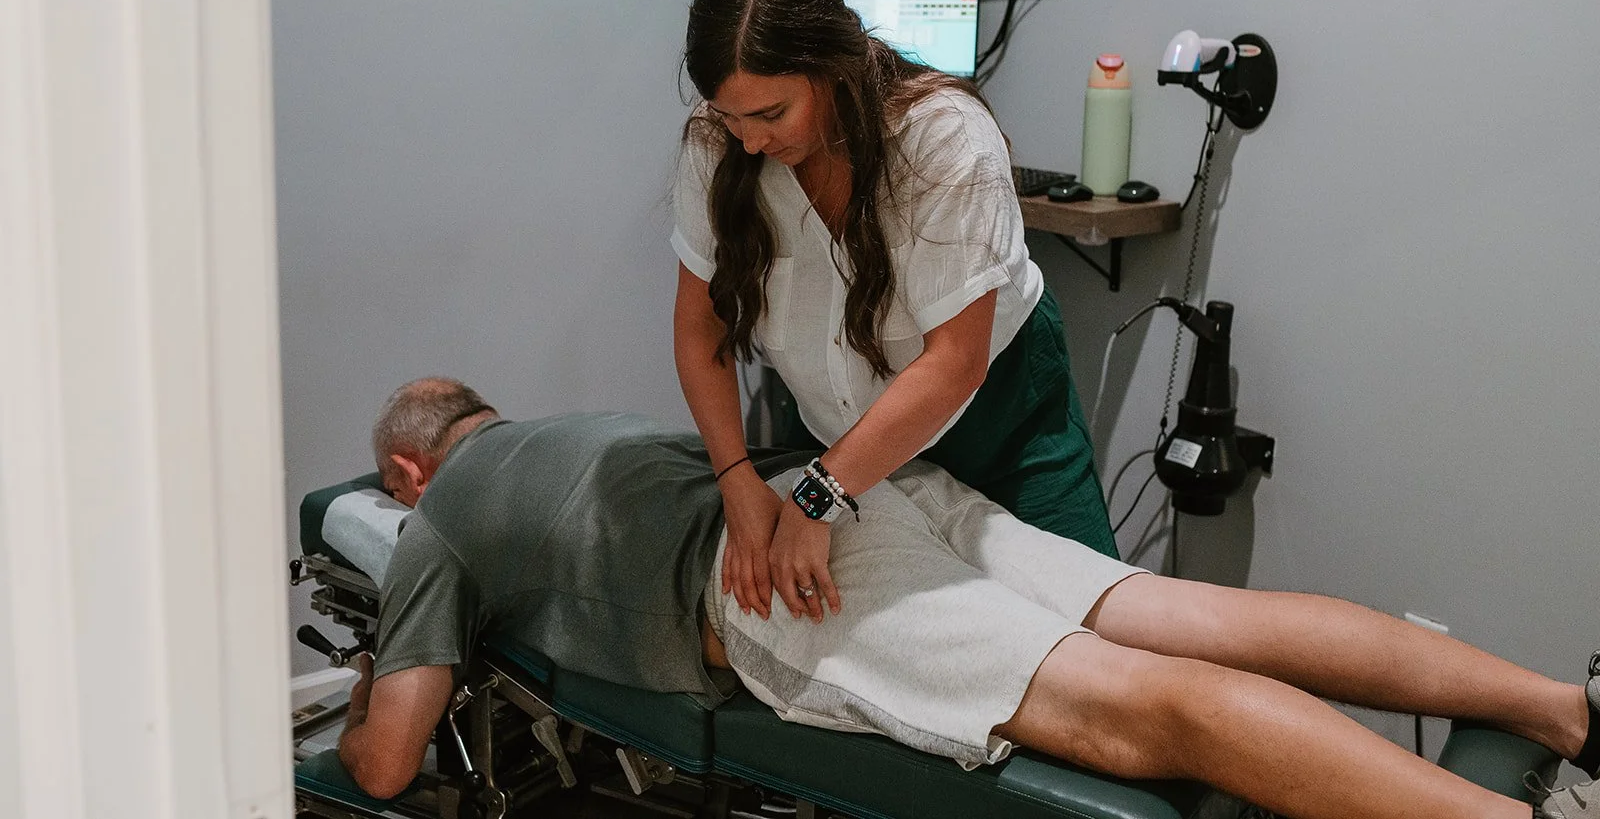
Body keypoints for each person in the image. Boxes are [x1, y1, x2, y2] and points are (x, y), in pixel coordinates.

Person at [337, 378, 1598, 819]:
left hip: (784, 573)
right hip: (859, 489)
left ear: (406, 468)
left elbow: (391, 764)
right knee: (1185, 619)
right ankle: (1562, 709)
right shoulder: (582, 429)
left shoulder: (442, 514)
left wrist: (351, 704)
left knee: (1128, 709)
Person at [672, 0, 1115, 628]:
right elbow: (701, 324)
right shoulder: (718, 144)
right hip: (834, 433)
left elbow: (955, 360)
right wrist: (737, 478)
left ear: (832, 69)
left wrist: (820, 493)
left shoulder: (943, 139)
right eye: (731, 117)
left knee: (1095, 630)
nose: (749, 142)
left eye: (771, 114)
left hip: (996, 418)